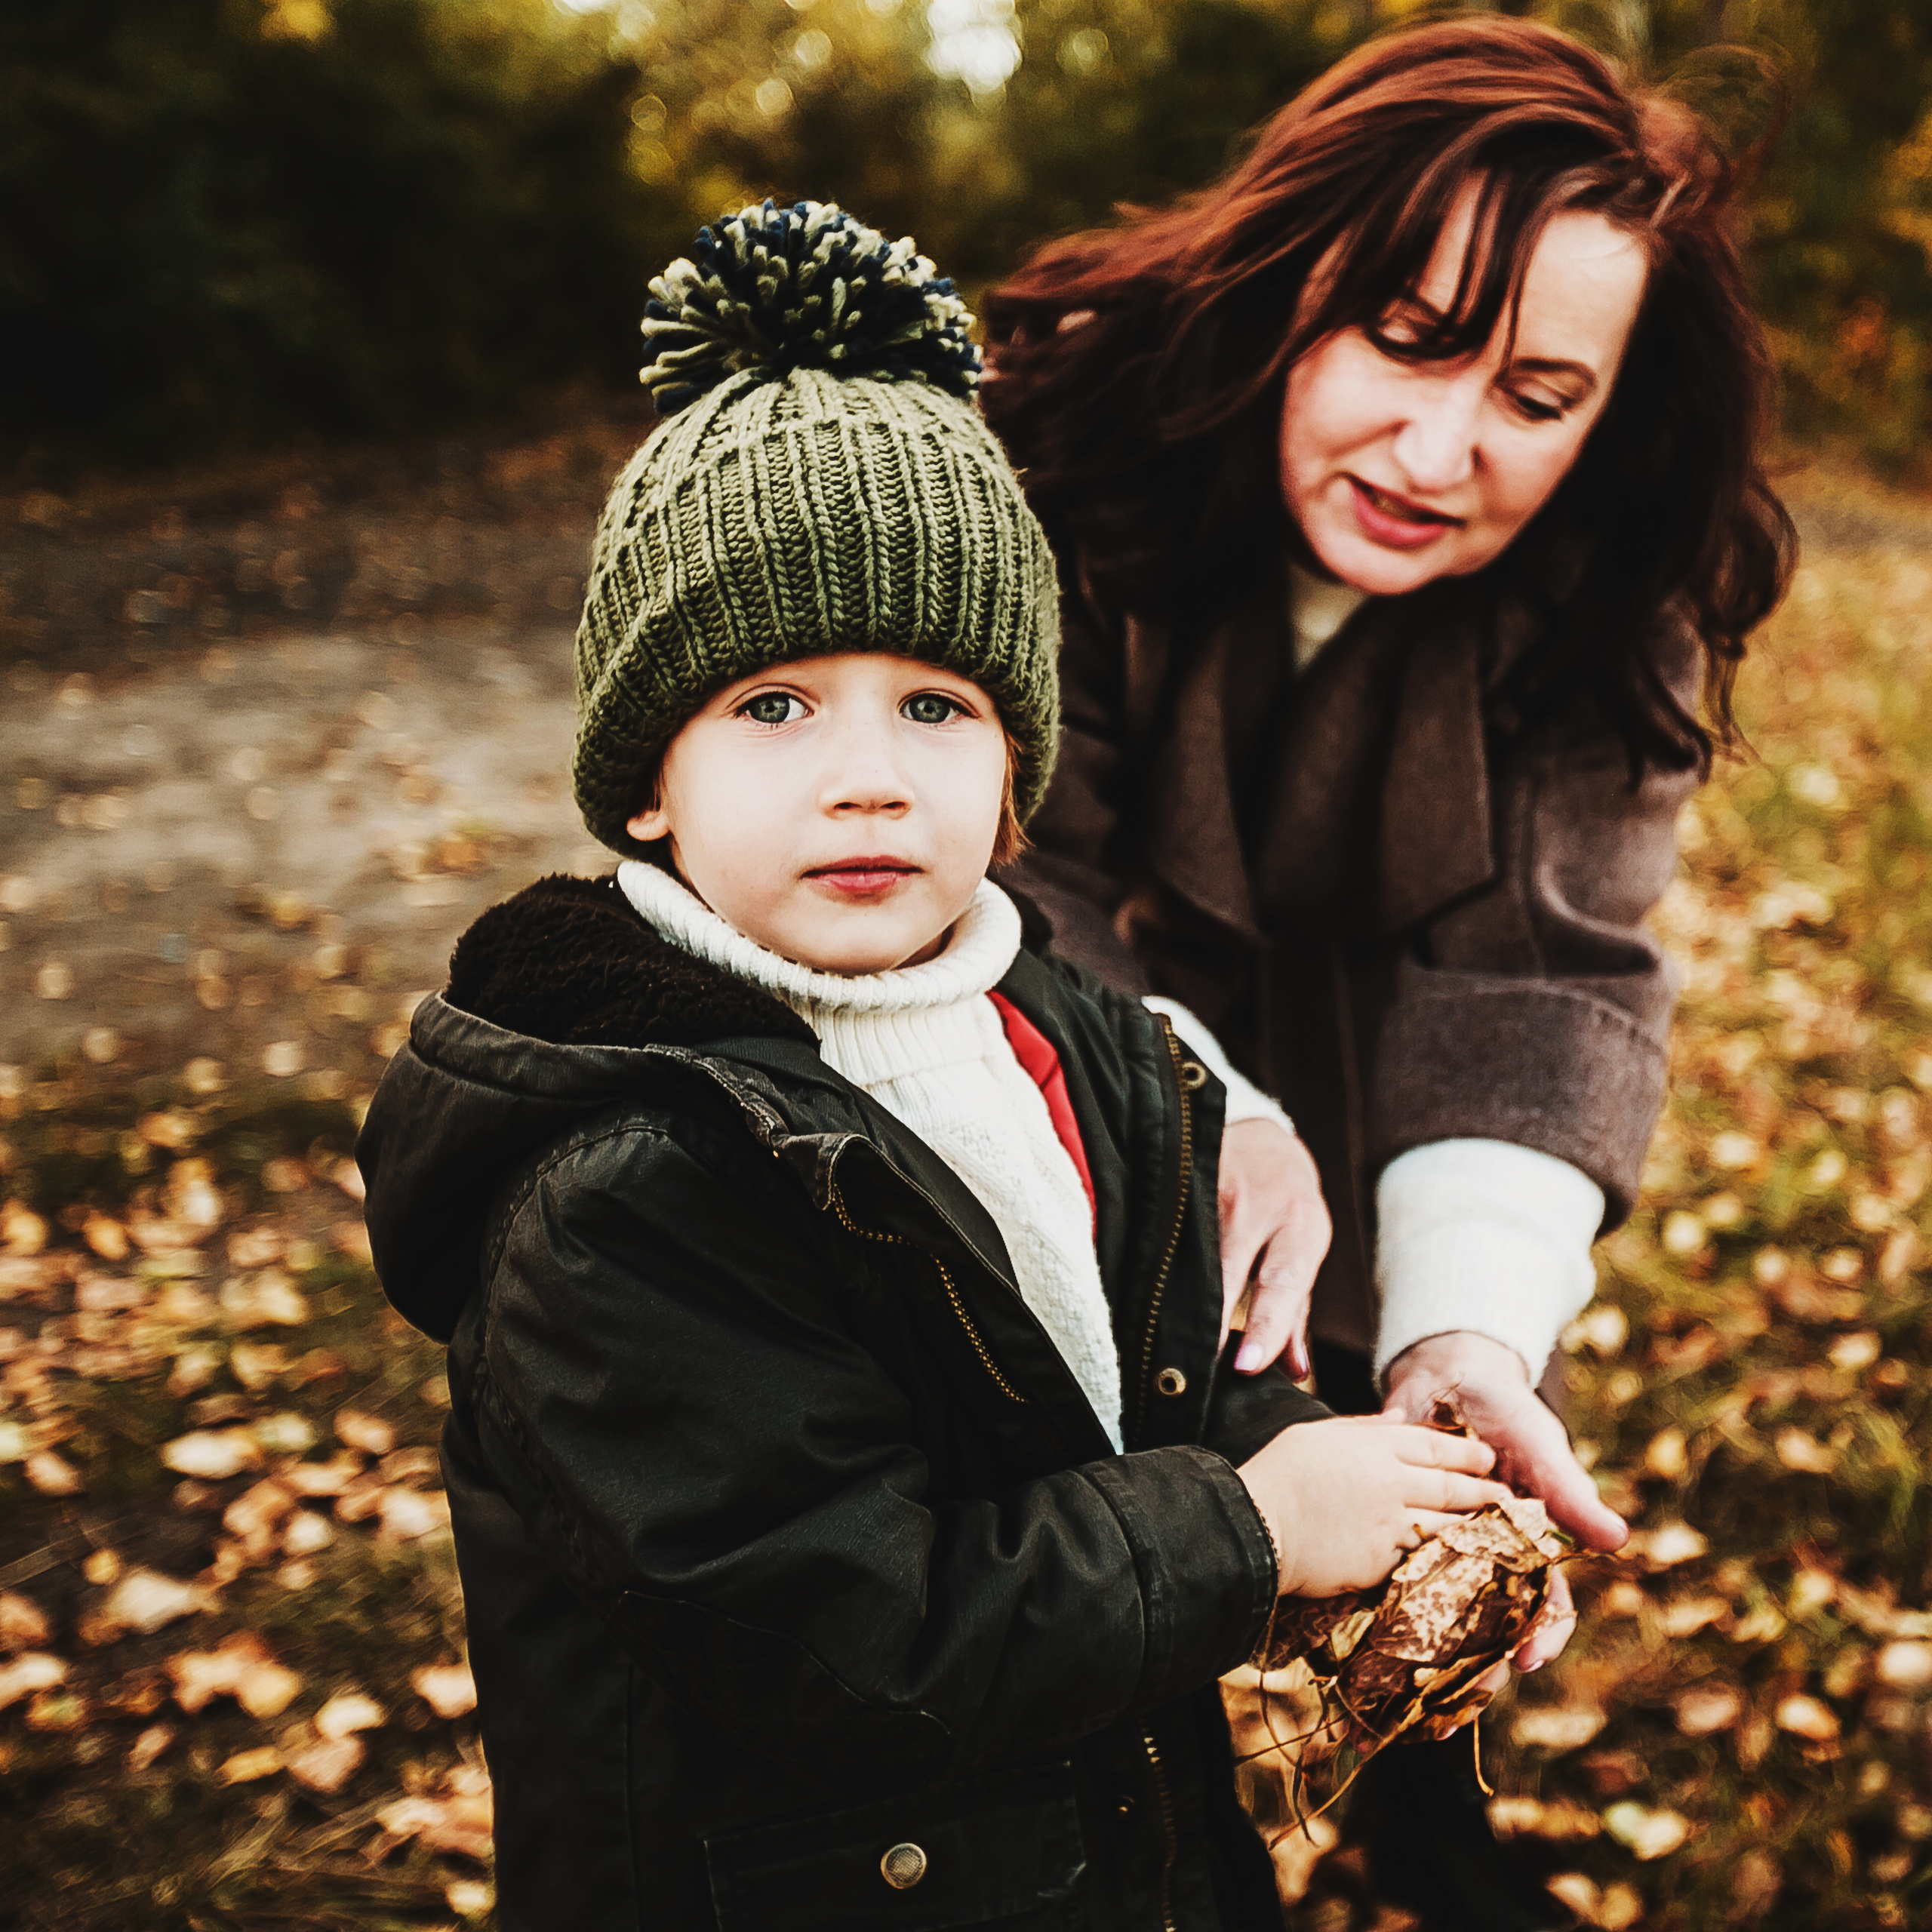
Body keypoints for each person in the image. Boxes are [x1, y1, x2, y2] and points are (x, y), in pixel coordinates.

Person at [355, 202, 1520, 1932]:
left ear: (1017, 761)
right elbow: (855, 1634)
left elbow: (1148, 1396)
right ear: (645, 780)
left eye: (935, 705)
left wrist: (1369, 1491)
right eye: (772, 704)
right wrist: (1252, 1535)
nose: (866, 777)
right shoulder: (630, 1179)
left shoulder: (1077, 1044)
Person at [980, 17, 1795, 1930]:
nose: (1440, 450)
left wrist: (1464, 1333)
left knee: (1408, 1408)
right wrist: (1208, 1112)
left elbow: (1543, 975)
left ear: (1609, 412)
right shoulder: (1050, 470)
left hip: (1385, 1093)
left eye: (1535, 389)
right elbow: (1023, 881)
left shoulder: (1615, 600)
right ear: (1293, 278)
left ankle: (1424, 1805)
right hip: (1057, 1076)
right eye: (1406, 339)